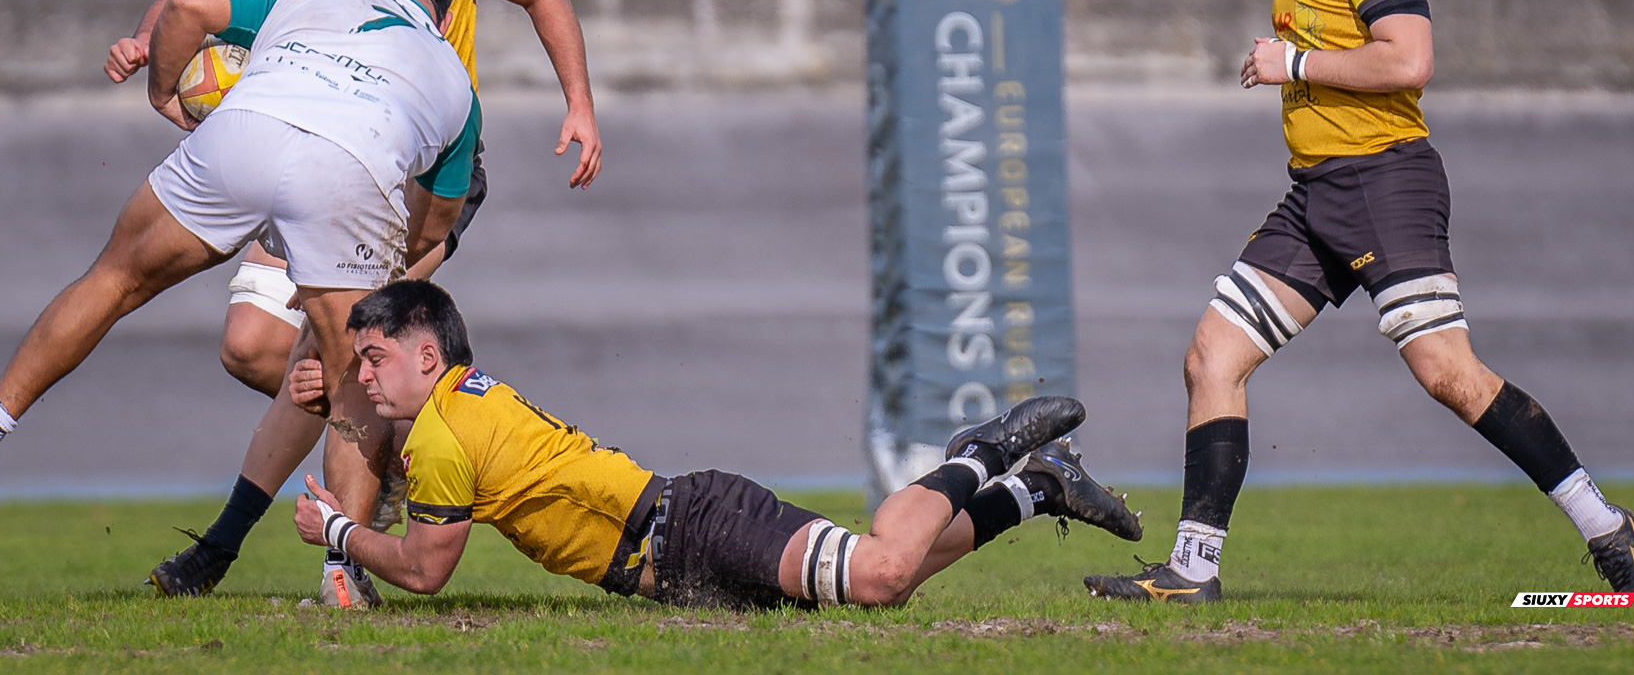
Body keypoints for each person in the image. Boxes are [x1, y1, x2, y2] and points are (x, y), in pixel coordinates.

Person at [1083, 0, 1634, 604]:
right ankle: (1192, 573)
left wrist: (1295, 64)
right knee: (1212, 356)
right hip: (1316, 192)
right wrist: (1297, 62)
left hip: (1386, 179)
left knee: (1447, 373)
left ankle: (1606, 524)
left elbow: (1408, 59)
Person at [99, 0, 603, 601]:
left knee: (341, 356)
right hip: (315, 153)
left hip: (420, 173)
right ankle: (394, 449)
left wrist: (578, 103)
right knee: (255, 348)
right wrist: (141, 36)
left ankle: (256, 559)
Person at [0, 0, 480, 609]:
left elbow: (186, 6)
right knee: (349, 377)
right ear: (442, 19)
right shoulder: (456, 80)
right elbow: (437, 220)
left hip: (243, 132)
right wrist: (363, 270)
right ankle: (341, 575)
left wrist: (163, 92)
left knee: (114, 279)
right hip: (351, 170)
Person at [286, 281, 1143, 610]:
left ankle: (980, 453)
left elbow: (426, 569)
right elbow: (427, 468)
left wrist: (333, 533)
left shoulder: (441, 432)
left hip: (689, 526)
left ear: (426, 355)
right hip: (679, 545)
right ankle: (1042, 489)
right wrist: (339, 402)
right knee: (897, 575)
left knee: (880, 574)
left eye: (373, 358)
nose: (364, 376)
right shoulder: (465, 398)